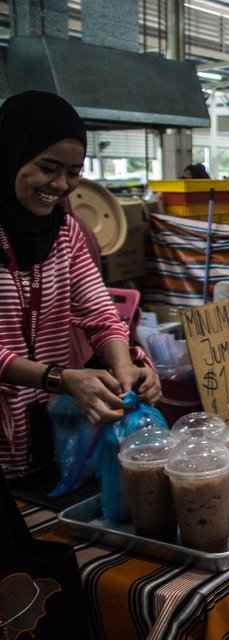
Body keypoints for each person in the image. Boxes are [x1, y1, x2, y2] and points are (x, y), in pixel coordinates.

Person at [0, 90, 161, 638]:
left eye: (74, 172)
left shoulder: (65, 233)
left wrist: (125, 365)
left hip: (43, 439)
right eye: (48, 167)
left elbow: (100, 313)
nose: (62, 185)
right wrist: (60, 377)